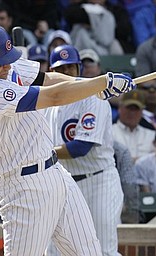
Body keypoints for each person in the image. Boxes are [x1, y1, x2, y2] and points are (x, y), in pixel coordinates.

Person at [0, 24, 135, 255]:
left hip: (56, 172)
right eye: (1, 62)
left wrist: (92, 87)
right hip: (23, 186)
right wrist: (100, 83)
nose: (8, 65)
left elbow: (47, 79)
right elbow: (54, 96)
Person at [44, 44, 124, 256]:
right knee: (55, 252)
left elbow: (81, 147)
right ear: (52, 73)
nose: (67, 73)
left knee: (103, 250)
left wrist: (43, 154)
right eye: (61, 69)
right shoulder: (47, 102)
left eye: (71, 68)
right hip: (64, 184)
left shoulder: (94, 96)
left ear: (79, 69)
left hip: (98, 181)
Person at [112, 90, 156, 162]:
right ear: (120, 108)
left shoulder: (151, 135)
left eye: (136, 109)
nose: (132, 113)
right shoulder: (109, 132)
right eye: (129, 108)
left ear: (142, 111)